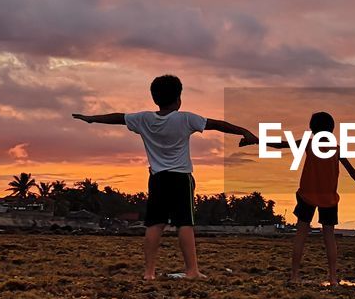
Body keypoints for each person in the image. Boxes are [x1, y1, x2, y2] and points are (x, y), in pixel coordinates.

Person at [72, 74, 256, 281]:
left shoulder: (144, 119)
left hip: (158, 178)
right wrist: (245, 132)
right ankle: (192, 270)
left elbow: (118, 117)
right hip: (180, 178)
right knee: (184, 223)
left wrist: (92, 119)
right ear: (178, 99)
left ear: (155, 98)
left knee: (155, 224)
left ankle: (148, 273)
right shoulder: (185, 118)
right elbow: (218, 124)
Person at [267, 111, 355, 287]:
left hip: (307, 195)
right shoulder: (336, 149)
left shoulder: (309, 144)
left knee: (301, 234)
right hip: (329, 198)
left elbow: (281, 144)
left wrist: (256, 140)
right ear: (331, 129)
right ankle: (333, 278)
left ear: (312, 129)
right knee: (329, 237)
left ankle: (294, 275)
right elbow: (353, 172)